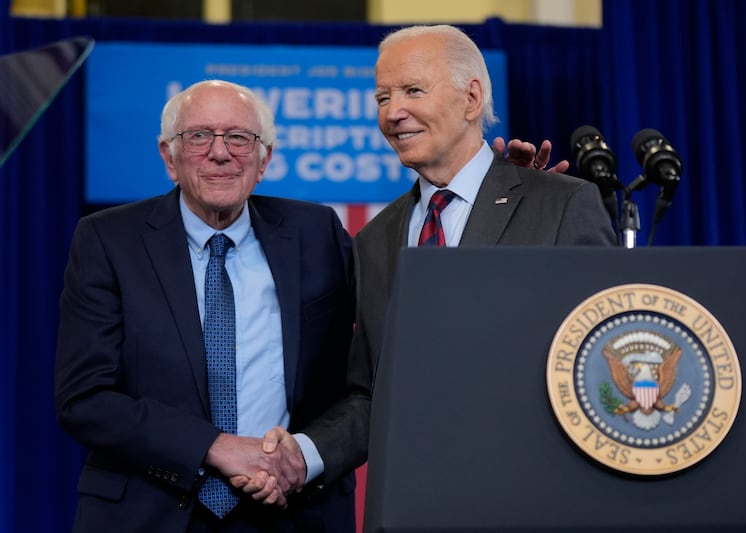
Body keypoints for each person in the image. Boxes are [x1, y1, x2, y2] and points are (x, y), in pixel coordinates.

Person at [239, 24, 617, 504]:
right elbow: (370, 394)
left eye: (413, 90)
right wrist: (305, 455)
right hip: (413, 500)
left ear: (471, 98)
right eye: (381, 97)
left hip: (537, 497)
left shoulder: (560, 206)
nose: (393, 112)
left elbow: (601, 361)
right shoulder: (374, 240)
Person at [54, 79, 358, 532]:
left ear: (264, 159)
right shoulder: (108, 240)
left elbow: (360, 381)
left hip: (293, 511)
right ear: (168, 157)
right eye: (199, 136)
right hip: (149, 509)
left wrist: (301, 456)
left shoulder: (317, 232)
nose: (221, 153)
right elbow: (84, 398)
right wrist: (215, 446)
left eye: (239, 137)